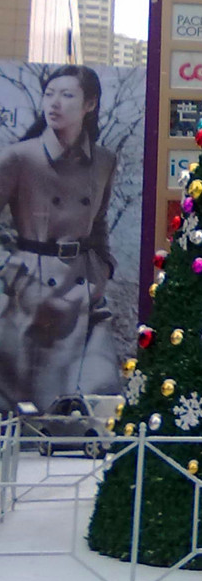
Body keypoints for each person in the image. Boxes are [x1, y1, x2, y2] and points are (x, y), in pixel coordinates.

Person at [0, 65, 122, 415]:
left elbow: (98, 223)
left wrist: (103, 268)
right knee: (26, 407)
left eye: (67, 95)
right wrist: (11, 271)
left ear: (89, 105)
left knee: (97, 395)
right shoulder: (19, 157)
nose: (54, 103)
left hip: (84, 289)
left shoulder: (104, 161)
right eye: (49, 94)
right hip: (28, 294)